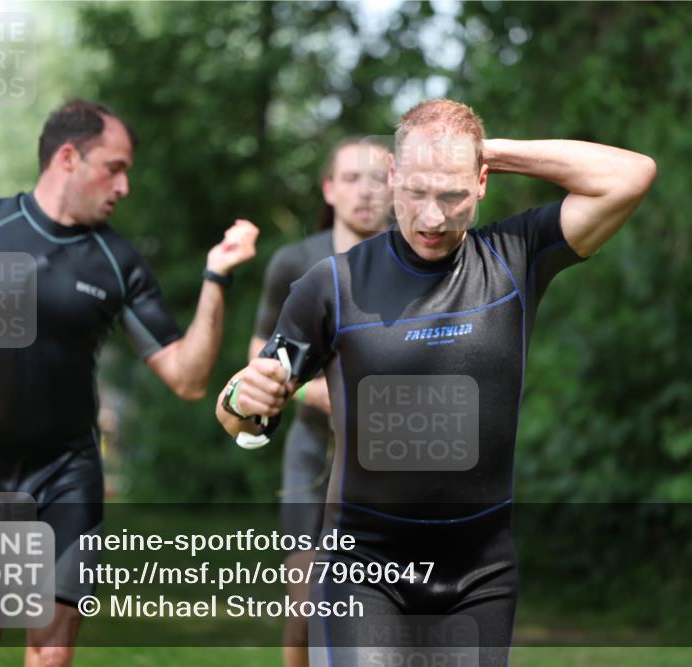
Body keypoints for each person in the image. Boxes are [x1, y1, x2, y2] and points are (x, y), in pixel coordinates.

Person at [216, 98, 656, 667]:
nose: (431, 218)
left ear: (481, 183)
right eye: (416, 191)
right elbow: (240, 416)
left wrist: (483, 149)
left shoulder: (515, 258)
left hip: (480, 577)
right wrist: (240, 396)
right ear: (392, 176)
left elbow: (630, 175)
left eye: (451, 195)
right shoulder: (331, 285)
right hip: (363, 571)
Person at [0, 99, 259, 667]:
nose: (125, 185)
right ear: (68, 157)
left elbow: (186, 377)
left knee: (52, 653)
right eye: (115, 166)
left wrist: (216, 278)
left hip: (68, 476)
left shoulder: (118, 262)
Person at [249, 137, 392, 667]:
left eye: (378, 179)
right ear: (329, 189)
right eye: (352, 179)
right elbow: (259, 354)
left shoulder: (416, 256)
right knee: (306, 604)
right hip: (311, 449)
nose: (366, 192)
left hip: (392, 457)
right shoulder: (296, 261)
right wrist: (327, 396)